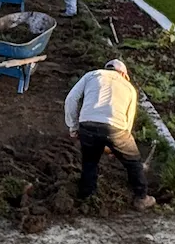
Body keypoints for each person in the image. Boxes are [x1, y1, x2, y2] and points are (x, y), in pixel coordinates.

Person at [64, 58, 156, 209]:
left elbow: (71, 100)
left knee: (90, 162)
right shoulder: (129, 87)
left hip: (87, 124)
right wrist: (118, 147)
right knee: (134, 163)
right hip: (116, 128)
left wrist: (73, 127)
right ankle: (141, 198)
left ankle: (87, 198)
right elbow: (128, 122)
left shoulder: (92, 75)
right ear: (124, 75)